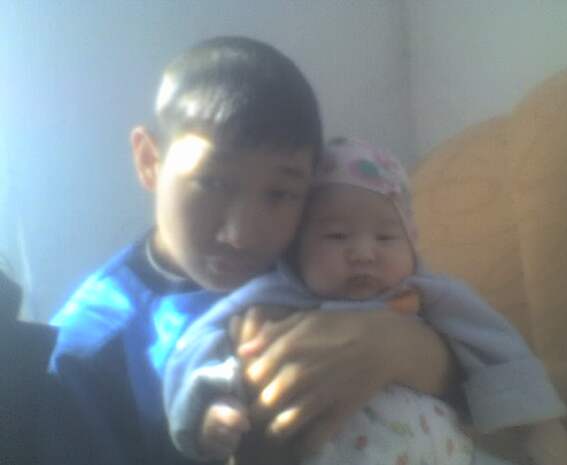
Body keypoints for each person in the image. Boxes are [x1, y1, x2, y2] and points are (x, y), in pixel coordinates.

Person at [46, 37, 457, 465]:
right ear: (150, 160)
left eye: (280, 193)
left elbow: (470, 375)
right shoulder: (89, 350)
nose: (242, 235)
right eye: (212, 183)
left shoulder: (321, 253)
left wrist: (393, 344)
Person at [162, 138, 567, 465]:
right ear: (297, 249)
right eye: (336, 236)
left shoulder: (427, 294)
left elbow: (494, 343)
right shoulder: (273, 297)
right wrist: (212, 404)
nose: (363, 253)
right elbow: (203, 340)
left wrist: (539, 425)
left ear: (411, 243)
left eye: (386, 237)